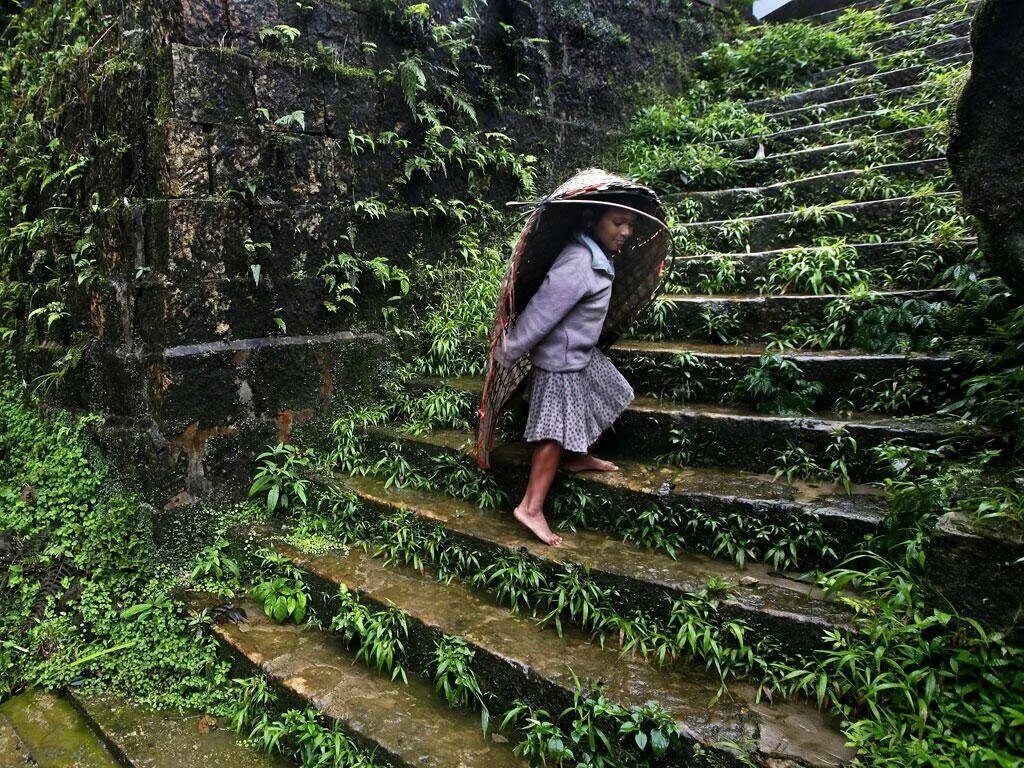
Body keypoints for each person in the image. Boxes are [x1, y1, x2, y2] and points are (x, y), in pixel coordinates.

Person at [493, 204, 638, 546]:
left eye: (629, 225)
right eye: (618, 223)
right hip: (559, 362)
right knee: (553, 432)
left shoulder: (597, 256)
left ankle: (576, 456)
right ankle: (530, 507)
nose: (625, 232)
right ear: (593, 220)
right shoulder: (577, 262)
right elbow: (542, 312)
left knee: (607, 390)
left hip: (579, 355)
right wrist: (509, 350)